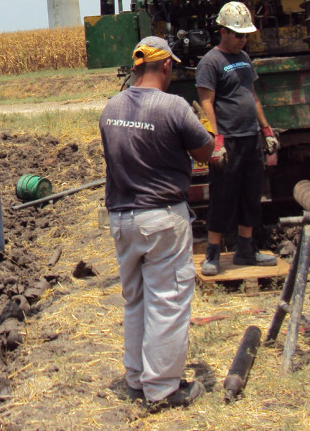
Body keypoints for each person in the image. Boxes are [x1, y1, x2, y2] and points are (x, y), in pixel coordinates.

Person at [100, 36, 214, 409]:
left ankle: (136, 377)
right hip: (161, 219)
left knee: (136, 299)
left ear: (136, 67)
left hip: (121, 218)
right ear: (166, 66)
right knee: (169, 300)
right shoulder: (174, 107)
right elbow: (205, 151)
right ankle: (163, 388)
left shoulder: (111, 107)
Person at [195, 1, 280, 276]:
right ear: (223, 32)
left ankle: (246, 249)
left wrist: (265, 130)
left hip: (249, 138)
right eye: (238, 35)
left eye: (246, 35)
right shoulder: (211, 62)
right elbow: (206, 102)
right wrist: (216, 140)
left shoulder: (244, 58)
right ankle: (212, 254)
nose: (243, 40)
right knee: (222, 196)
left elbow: (251, 96)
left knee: (250, 195)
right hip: (228, 141)